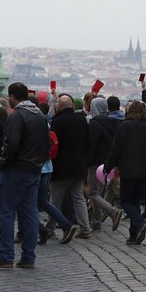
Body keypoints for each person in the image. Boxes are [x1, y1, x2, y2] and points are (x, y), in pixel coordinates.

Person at [0, 82, 51, 269]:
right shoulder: (39, 115)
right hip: (34, 169)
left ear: (12, 97)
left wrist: (2, 162)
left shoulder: (17, 115)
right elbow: (46, 143)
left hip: (16, 169)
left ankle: (6, 256)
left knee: (6, 212)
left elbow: (11, 143)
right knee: (30, 213)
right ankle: (28, 257)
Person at [104, 100, 146, 245]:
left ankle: (139, 222)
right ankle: (134, 235)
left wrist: (108, 166)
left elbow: (115, 149)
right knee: (135, 202)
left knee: (126, 201)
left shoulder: (124, 126)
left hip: (128, 169)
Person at [44, 94, 93, 240]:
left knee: (55, 200)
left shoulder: (57, 121)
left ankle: (50, 228)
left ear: (59, 106)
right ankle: (85, 228)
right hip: (78, 166)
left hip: (61, 167)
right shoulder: (81, 119)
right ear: (71, 106)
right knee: (78, 198)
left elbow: (54, 145)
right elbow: (88, 142)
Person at [86, 96, 124, 231]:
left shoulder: (94, 124)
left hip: (96, 163)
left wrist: (88, 161)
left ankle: (112, 211)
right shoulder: (113, 121)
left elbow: (92, 146)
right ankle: (96, 222)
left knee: (93, 194)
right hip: (108, 162)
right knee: (98, 192)